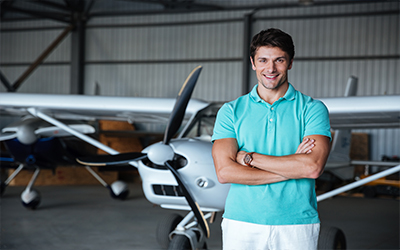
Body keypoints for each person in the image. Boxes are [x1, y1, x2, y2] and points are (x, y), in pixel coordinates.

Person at [211, 28, 331, 250]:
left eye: (279, 60)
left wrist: (248, 158)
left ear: (290, 63)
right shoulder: (230, 111)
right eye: (263, 60)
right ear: (253, 62)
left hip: (297, 224)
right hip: (241, 222)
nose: (271, 68)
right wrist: (294, 166)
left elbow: (312, 168)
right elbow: (225, 172)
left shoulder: (312, 109)